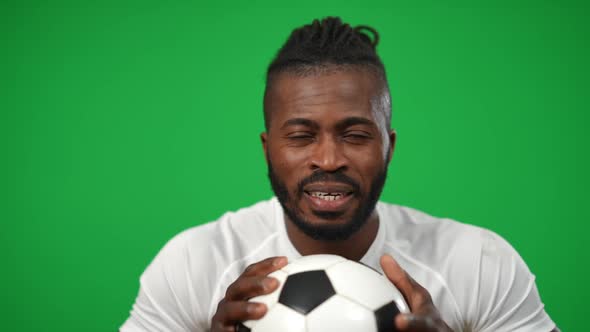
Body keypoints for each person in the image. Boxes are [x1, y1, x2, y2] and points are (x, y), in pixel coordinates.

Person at [121, 17, 558, 332]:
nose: (328, 160)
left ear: (389, 147)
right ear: (267, 148)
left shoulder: (478, 264)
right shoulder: (194, 264)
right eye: (300, 135)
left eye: (354, 134)